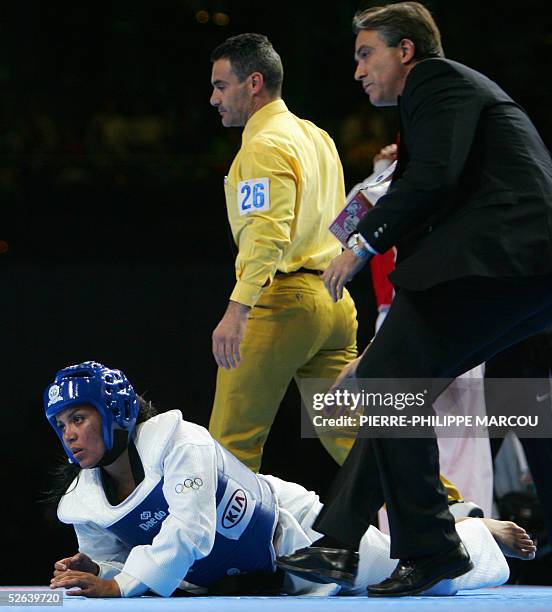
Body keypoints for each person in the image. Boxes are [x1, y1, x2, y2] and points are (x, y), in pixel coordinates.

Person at [278, 1, 552, 597]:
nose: (357, 70)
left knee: (389, 382)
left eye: (365, 53)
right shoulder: (438, 109)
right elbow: (426, 188)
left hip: (504, 259)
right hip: (521, 269)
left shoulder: (437, 80)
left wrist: (362, 245)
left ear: (406, 51)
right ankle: (341, 541)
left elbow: (431, 182)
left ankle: (422, 546)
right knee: (391, 382)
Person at [45, 361, 534, 598]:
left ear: (115, 412)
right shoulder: (84, 502)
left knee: (430, 582)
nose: (70, 434)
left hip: (297, 533)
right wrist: (96, 568)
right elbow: (116, 563)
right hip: (252, 580)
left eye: (80, 418)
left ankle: (475, 535)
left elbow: (189, 533)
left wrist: (117, 586)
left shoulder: (180, 442)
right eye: (62, 424)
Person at [207, 33, 358, 472]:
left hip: (283, 304)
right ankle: (453, 514)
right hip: (333, 303)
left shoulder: (263, 146)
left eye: (221, 85)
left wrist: (238, 309)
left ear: (253, 83)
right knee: (355, 435)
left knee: (230, 446)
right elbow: (344, 216)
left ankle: (231, 543)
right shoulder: (316, 136)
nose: (213, 98)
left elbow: (266, 235)